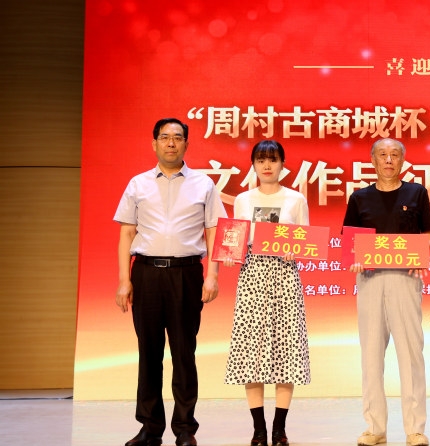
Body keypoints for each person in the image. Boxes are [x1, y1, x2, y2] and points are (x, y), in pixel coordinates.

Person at [114, 118, 227, 446]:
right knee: (148, 353)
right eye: (164, 137)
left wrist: (213, 275)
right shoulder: (137, 184)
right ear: (154, 144)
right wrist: (124, 280)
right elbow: (126, 233)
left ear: (186, 144)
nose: (171, 143)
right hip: (146, 273)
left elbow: (214, 231)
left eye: (178, 138)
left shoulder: (204, 184)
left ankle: (185, 429)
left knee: (183, 353)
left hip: (186, 274)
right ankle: (150, 428)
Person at [342, 138, 430, 446]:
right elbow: (350, 241)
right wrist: (355, 258)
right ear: (372, 160)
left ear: (402, 160)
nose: (388, 160)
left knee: (411, 354)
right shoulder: (359, 198)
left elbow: (427, 233)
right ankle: (375, 428)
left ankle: (415, 429)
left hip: (405, 279)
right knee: (370, 355)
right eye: (382, 154)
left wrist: (420, 253)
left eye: (395, 155)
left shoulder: (416, 192)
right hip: (370, 280)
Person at [222, 140, 311, 446]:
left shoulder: (296, 199)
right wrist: (230, 253)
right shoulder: (243, 200)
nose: (267, 166)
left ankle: (279, 429)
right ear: (253, 165)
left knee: (287, 351)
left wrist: (295, 250)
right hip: (253, 276)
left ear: (283, 164)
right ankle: (259, 430)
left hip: (285, 276)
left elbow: (306, 241)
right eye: (261, 160)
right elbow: (235, 238)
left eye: (273, 160)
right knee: (252, 353)